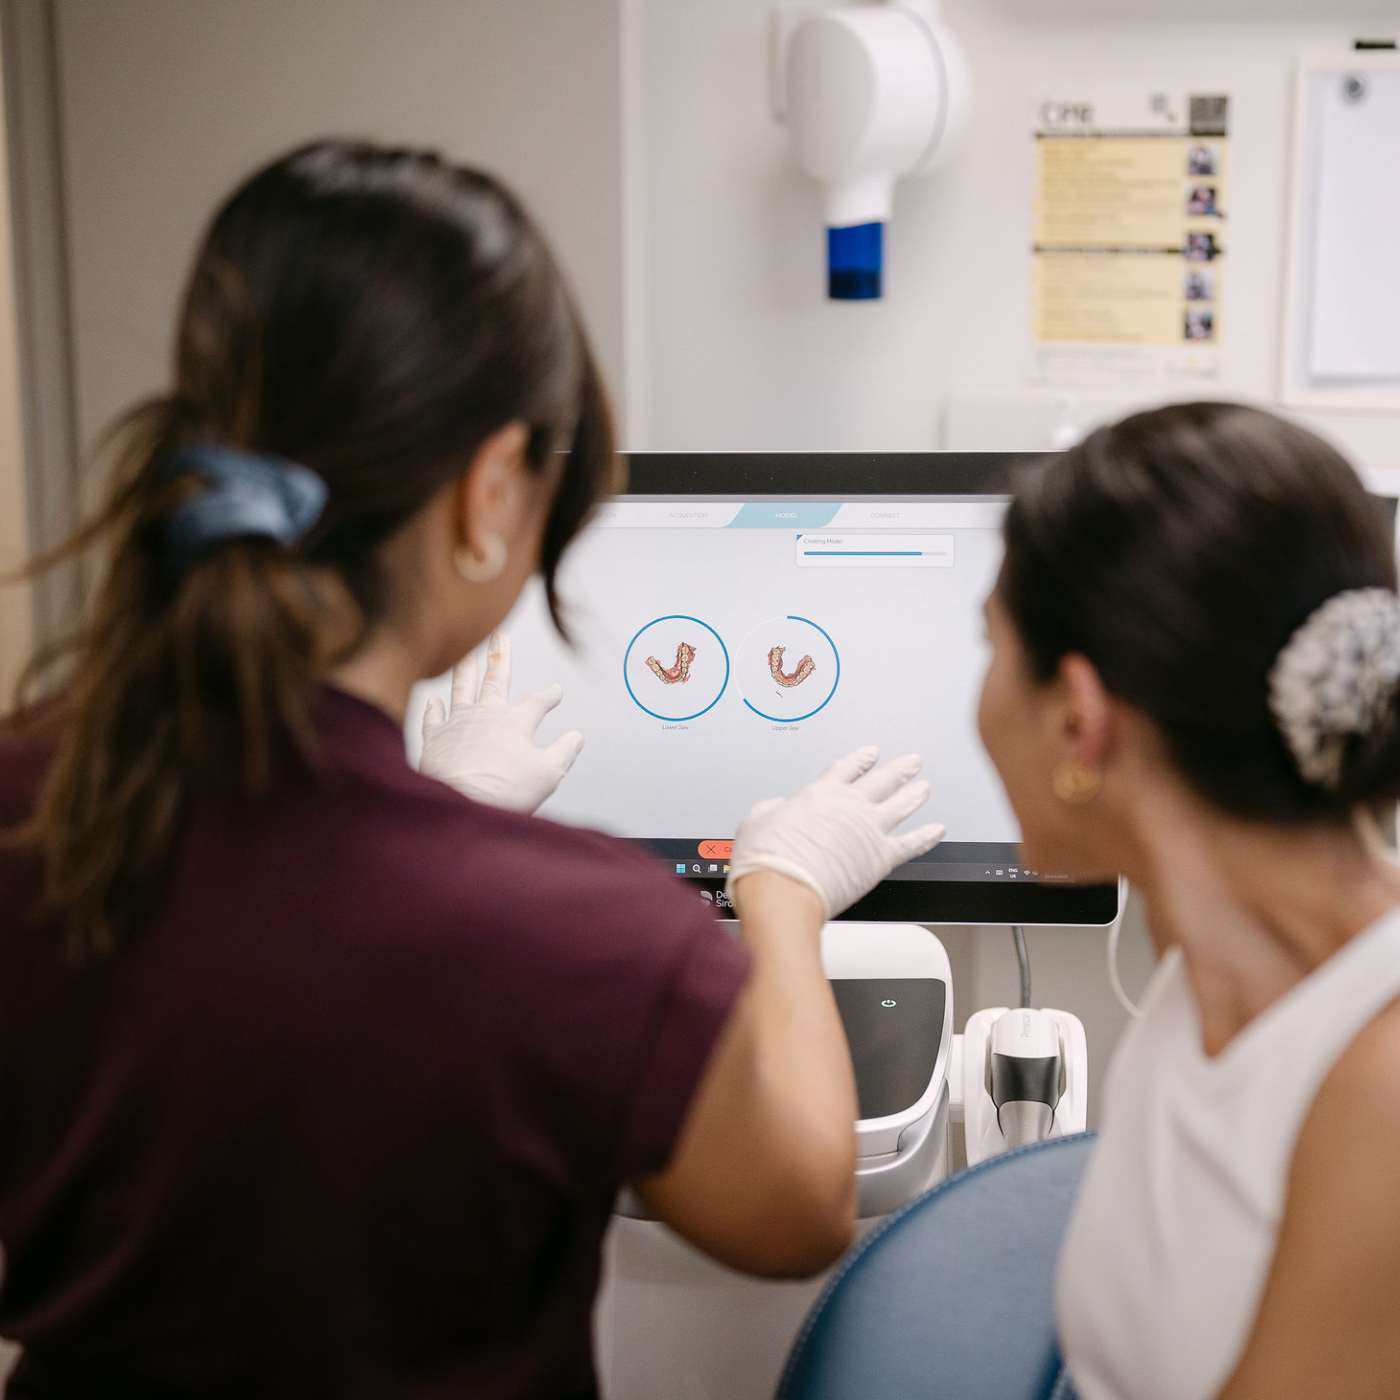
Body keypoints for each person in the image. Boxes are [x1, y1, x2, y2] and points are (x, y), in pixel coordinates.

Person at [0, 141, 942, 1398]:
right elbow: (799, 1207)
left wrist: (440, 810)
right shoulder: (574, 927)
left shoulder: (33, 803)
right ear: (490, 488)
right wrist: (781, 889)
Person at [977, 401, 1400, 1400]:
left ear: (1079, 718)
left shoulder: (1380, 1092)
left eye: (986, 647)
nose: (978, 704)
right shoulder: (1200, 958)